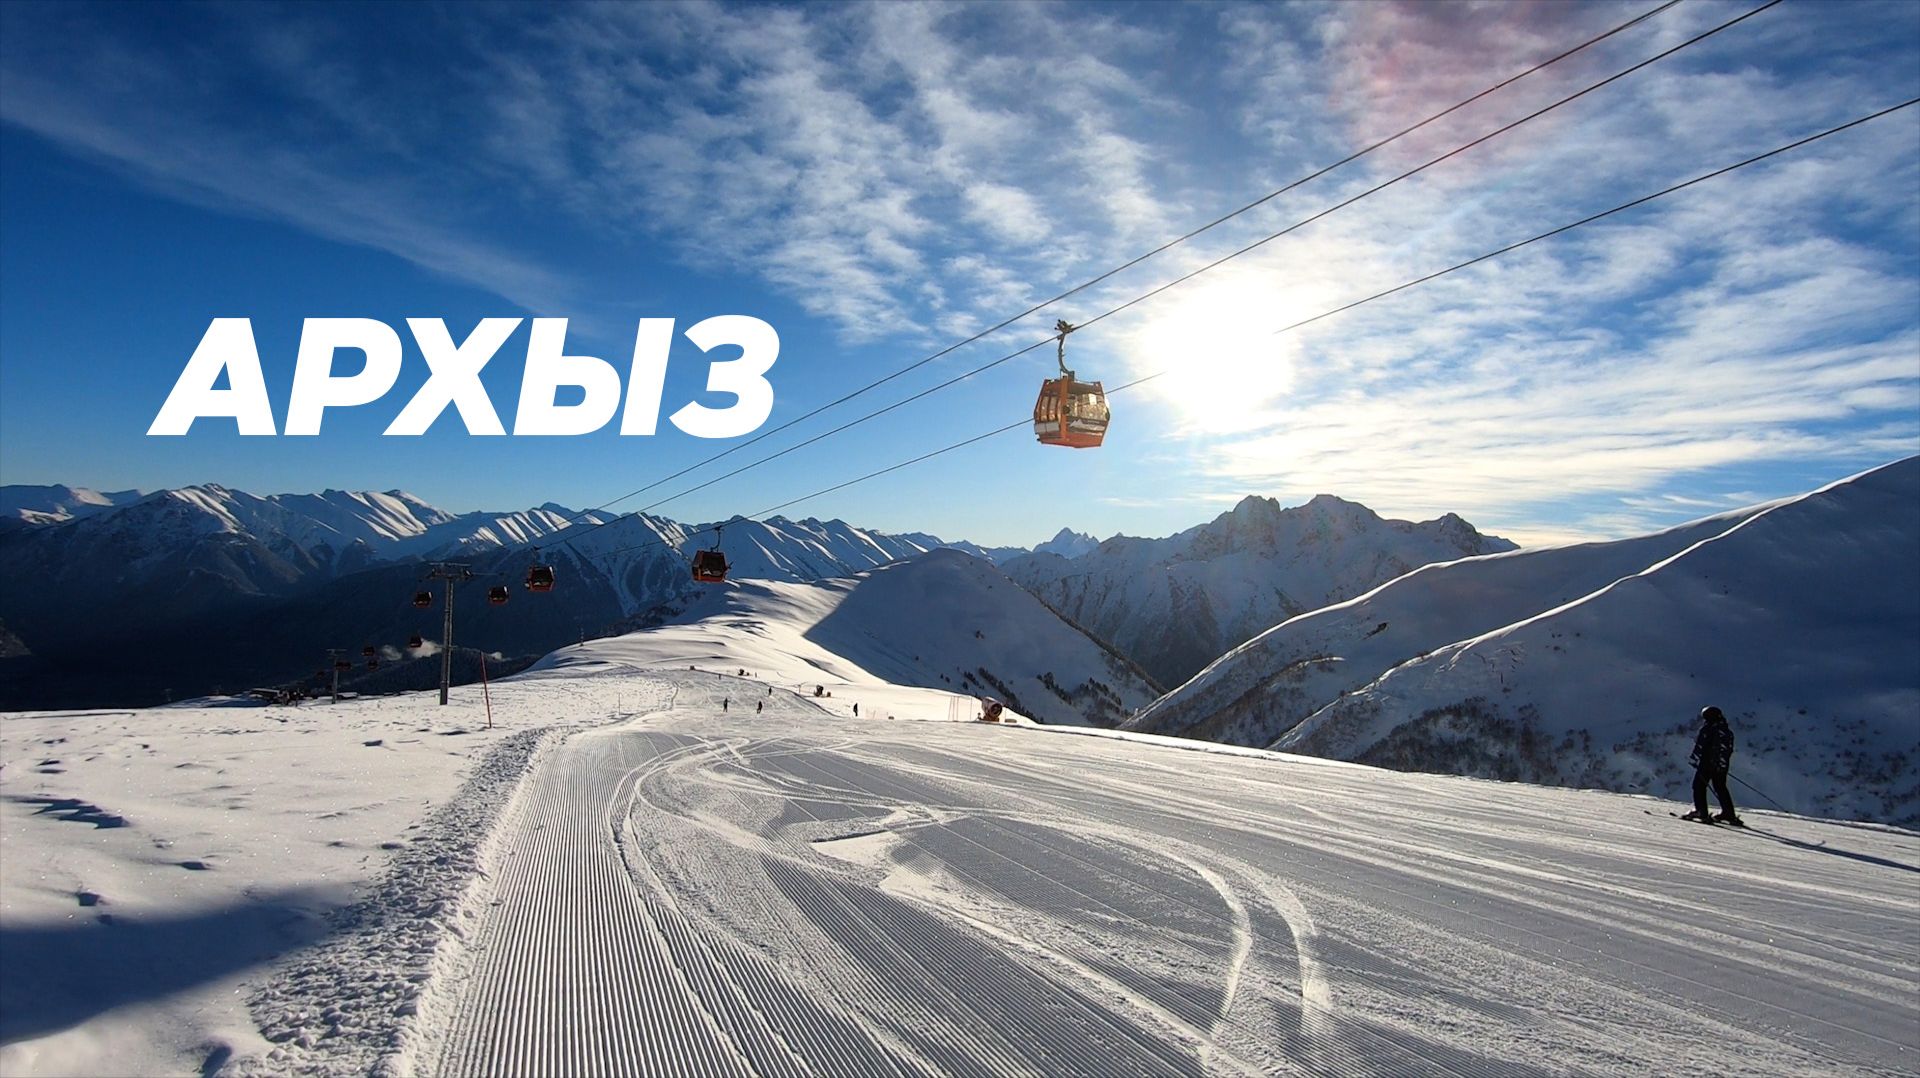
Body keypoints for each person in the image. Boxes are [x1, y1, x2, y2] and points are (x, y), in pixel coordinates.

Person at [1682, 706, 1741, 825]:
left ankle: (1701, 811)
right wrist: (1721, 764)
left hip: (1706, 764)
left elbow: (1701, 746)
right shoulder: (1726, 731)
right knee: (1720, 787)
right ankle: (1728, 813)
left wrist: (1695, 760)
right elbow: (1727, 750)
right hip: (1721, 765)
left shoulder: (1708, 729)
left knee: (1698, 786)